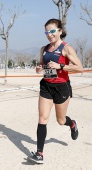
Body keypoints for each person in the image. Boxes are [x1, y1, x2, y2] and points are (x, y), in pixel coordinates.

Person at [27, 18, 83, 164]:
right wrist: (39, 68)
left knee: (60, 120)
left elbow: (79, 67)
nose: (49, 34)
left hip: (62, 87)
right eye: (47, 32)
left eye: (52, 31)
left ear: (60, 31)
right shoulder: (43, 49)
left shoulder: (66, 48)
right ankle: (39, 154)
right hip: (46, 86)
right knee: (42, 118)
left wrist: (61, 66)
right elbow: (40, 66)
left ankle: (72, 124)